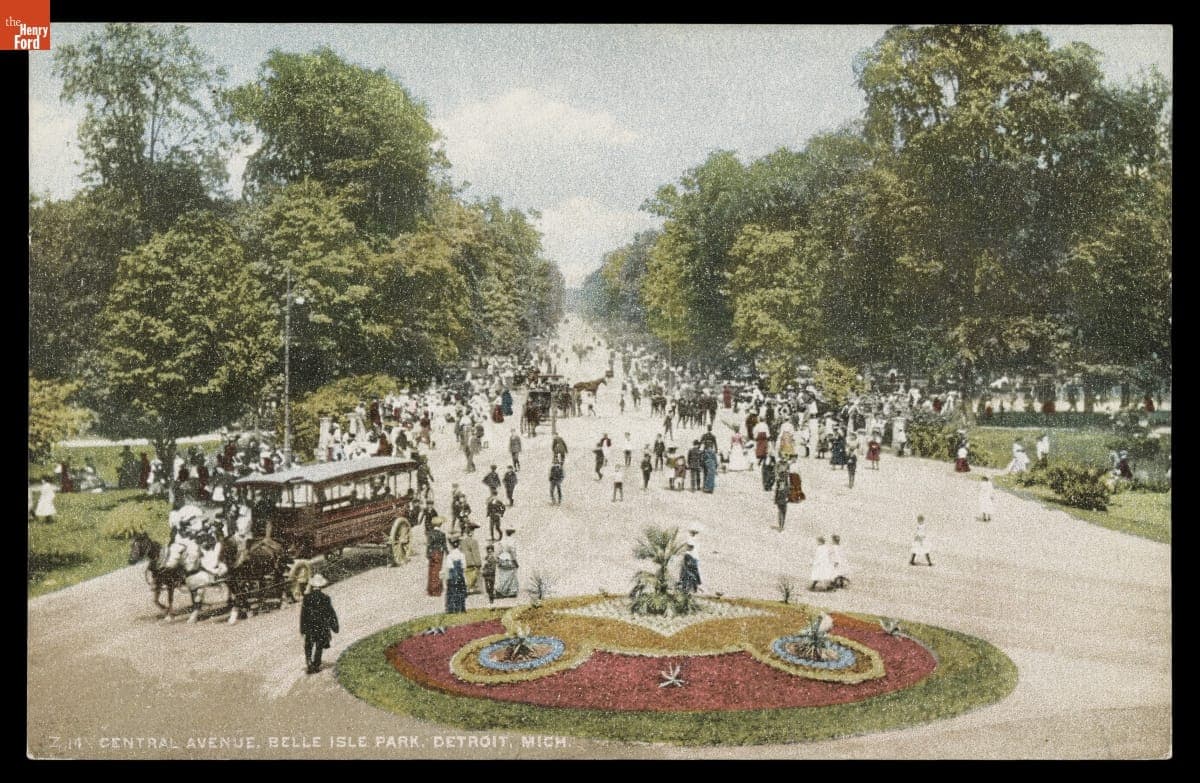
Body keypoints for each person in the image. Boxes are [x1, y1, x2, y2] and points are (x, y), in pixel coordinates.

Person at [300, 573, 339, 674]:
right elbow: (330, 613)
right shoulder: (325, 598)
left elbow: (303, 614)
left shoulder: (307, 598)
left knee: (308, 644)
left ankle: (309, 662)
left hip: (310, 625)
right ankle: (316, 664)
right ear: (321, 586)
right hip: (321, 625)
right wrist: (334, 626)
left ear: (312, 585)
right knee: (319, 644)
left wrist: (302, 628)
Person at [442, 536, 468, 613]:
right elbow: (464, 566)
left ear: (451, 545)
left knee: (452, 592)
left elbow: (449, 567)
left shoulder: (450, 556)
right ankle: (461, 608)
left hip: (452, 577)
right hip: (460, 576)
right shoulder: (461, 555)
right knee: (461, 592)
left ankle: (453, 609)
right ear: (458, 545)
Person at [426, 517, 448, 596]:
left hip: (432, 553)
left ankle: (431, 589)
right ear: (440, 525)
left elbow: (429, 545)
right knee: (438, 570)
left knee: (431, 571)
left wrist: (428, 555)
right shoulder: (442, 534)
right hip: (439, 554)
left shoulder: (430, 533)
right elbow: (444, 546)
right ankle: (437, 590)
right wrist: (448, 553)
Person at [495, 528, 520, 598]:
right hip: (509, 560)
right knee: (512, 575)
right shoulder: (512, 541)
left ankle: (501, 590)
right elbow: (512, 553)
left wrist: (497, 559)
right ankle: (511, 591)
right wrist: (515, 562)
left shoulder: (502, 541)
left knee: (502, 576)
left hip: (502, 559)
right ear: (512, 533)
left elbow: (498, 551)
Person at [461, 522, 483, 593]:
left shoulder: (462, 541)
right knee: (473, 574)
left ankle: (468, 588)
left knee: (467, 574)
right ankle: (472, 588)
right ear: (472, 531)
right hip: (471, 560)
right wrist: (478, 563)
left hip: (465, 560)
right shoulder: (474, 541)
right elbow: (475, 553)